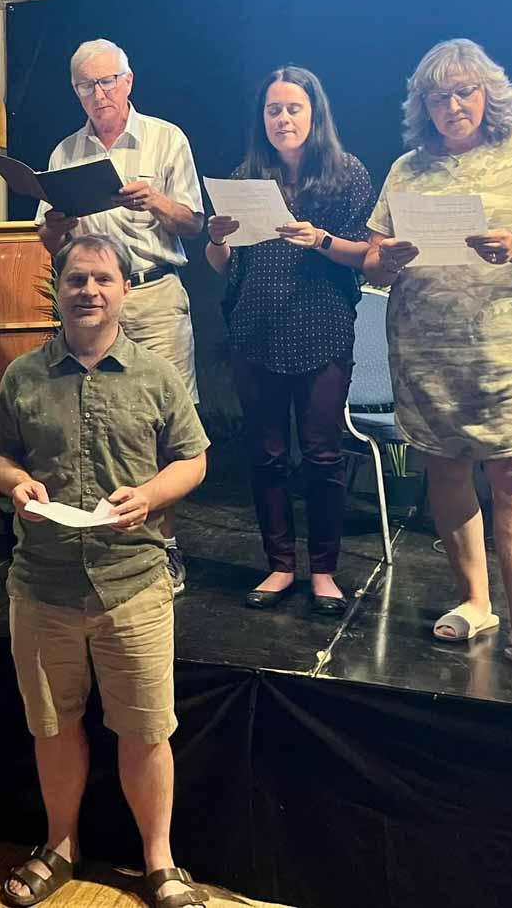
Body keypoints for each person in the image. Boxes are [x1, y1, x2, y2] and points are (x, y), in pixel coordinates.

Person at [0, 234, 210, 908]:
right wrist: (17, 482)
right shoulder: (22, 376)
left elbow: (194, 458)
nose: (89, 290)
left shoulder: (157, 374)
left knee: (145, 730)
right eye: (76, 279)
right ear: (60, 290)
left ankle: (159, 862)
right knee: (54, 727)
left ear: (124, 290)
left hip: (132, 582)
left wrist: (151, 496)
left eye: (102, 279)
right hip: (44, 583)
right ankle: (60, 846)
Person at [363, 39, 512, 688]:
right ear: (422, 105)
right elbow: (375, 263)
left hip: (508, 351)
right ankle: (476, 603)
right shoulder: (407, 168)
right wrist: (391, 257)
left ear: (489, 94)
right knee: (446, 469)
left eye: (464, 92)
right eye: (437, 96)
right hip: (426, 348)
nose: (452, 105)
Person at [36, 38, 205, 595]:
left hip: (152, 294)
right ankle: (99, 536)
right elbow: (48, 240)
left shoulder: (165, 138)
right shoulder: (66, 152)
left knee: (161, 425)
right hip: (89, 298)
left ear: (128, 82)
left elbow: (194, 224)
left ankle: (166, 546)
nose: (99, 93)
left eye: (108, 81)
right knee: (98, 418)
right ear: (76, 92)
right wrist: (58, 223)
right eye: (87, 85)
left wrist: (153, 200)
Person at [204, 66, 374, 615]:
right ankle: (280, 565)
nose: (283, 119)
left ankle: (324, 571)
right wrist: (216, 241)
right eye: (273, 110)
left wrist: (320, 239)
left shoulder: (348, 175)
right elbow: (226, 266)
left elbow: (368, 256)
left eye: (293, 108)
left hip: (322, 327)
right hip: (256, 329)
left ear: (314, 113)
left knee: (323, 456)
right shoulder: (246, 176)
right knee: (266, 455)